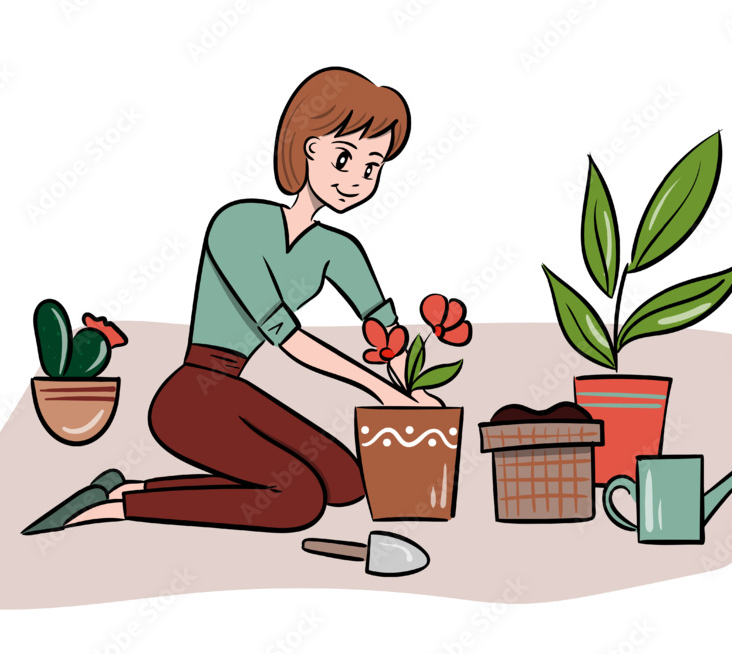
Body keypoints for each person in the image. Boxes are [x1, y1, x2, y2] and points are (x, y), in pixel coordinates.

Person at [23, 67, 439, 535]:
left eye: (372, 167)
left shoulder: (339, 249)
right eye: (344, 158)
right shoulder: (236, 225)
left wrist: (410, 391)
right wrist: (380, 391)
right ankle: (110, 509)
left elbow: (385, 331)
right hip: (190, 399)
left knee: (347, 483)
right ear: (309, 147)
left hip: (233, 391)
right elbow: (288, 338)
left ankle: (127, 487)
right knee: (299, 499)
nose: (357, 180)